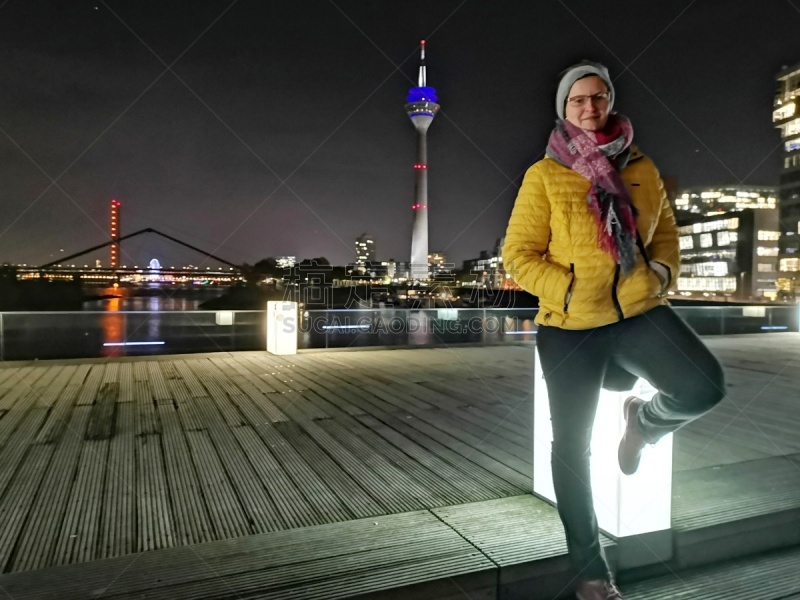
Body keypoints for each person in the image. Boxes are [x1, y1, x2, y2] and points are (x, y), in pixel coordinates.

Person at [502, 61, 725, 600]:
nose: (589, 108)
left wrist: (662, 273)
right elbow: (519, 255)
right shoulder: (545, 174)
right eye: (578, 100)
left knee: (703, 384)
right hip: (572, 326)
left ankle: (643, 424)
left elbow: (666, 232)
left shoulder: (641, 166)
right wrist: (573, 291)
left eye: (598, 97)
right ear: (564, 108)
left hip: (637, 311)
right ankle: (591, 572)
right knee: (571, 448)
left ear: (610, 101)